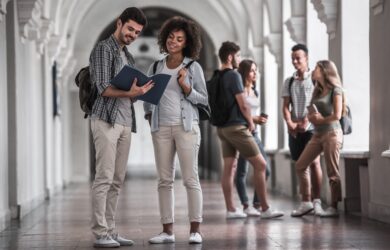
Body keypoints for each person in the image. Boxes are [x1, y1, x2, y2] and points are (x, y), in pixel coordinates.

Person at [89, 7, 153, 248]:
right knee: (104, 178)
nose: (133, 35)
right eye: (130, 29)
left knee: (117, 180)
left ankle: (111, 229)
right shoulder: (103, 49)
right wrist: (130, 92)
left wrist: (141, 93)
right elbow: (104, 88)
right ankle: (100, 232)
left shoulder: (129, 56)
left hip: (126, 122)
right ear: (119, 23)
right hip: (106, 120)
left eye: (137, 32)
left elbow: (129, 94)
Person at [144, 16, 208, 244]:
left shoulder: (193, 67)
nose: (173, 41)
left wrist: (186, 87)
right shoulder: (156, 66)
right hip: (161, 128)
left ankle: (195, 230)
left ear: (186, 43)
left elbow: (204, 100)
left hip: (186, 128)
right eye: (171, 37)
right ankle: (167, 231)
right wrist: (149, 114)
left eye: (179, 39)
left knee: (191, 179)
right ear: (165, 38)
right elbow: (149, 95)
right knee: (164, 180)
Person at [216, 41, 284, 219]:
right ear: (230, 57)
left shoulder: (217, 76)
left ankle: (231, 209)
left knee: (229, 168)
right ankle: (265, 208)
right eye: (238, 56)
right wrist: (251, 123)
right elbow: (243, 104)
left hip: (222, 128)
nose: (239, 59)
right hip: (238, 127)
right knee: (261, 165)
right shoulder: (234, 75)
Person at [294, 60, 344, 217]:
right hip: (317, 134)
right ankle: (307, 202)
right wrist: (311, 116)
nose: (313, 70)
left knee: (332, 172)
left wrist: (319, 119)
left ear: (324, 71)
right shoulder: (317, 89)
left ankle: (333, 207)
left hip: (332, 133)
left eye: (316, 68)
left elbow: (337, 115)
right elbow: (312, 111)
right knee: (301, 165)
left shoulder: (336, 90)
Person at [281, 44, 324, 217]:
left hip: (313, 128)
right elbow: (285, 106)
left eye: (298, 57)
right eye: (293, 58)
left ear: (306, 58)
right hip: (295, 130)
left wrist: (306, 121)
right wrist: (290, 123)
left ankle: (317, 201)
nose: (295, 61)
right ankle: (306, 202)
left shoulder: (315, 79)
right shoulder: (289, 81)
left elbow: (319, 102)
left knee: (314, 163)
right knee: (300, 164)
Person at [235, 59, 271, 216]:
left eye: (256, 70)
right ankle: (245, 204)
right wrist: (254, 119)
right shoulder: (239, 91)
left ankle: (256, 203)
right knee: (242, 172)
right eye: (252, 71)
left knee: (266, 170)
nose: (255, 73)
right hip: (243, 133)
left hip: (255, 134)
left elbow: (252, 113)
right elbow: (238, 113)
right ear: (244, 73)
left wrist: (259, 120)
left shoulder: (254, 91)